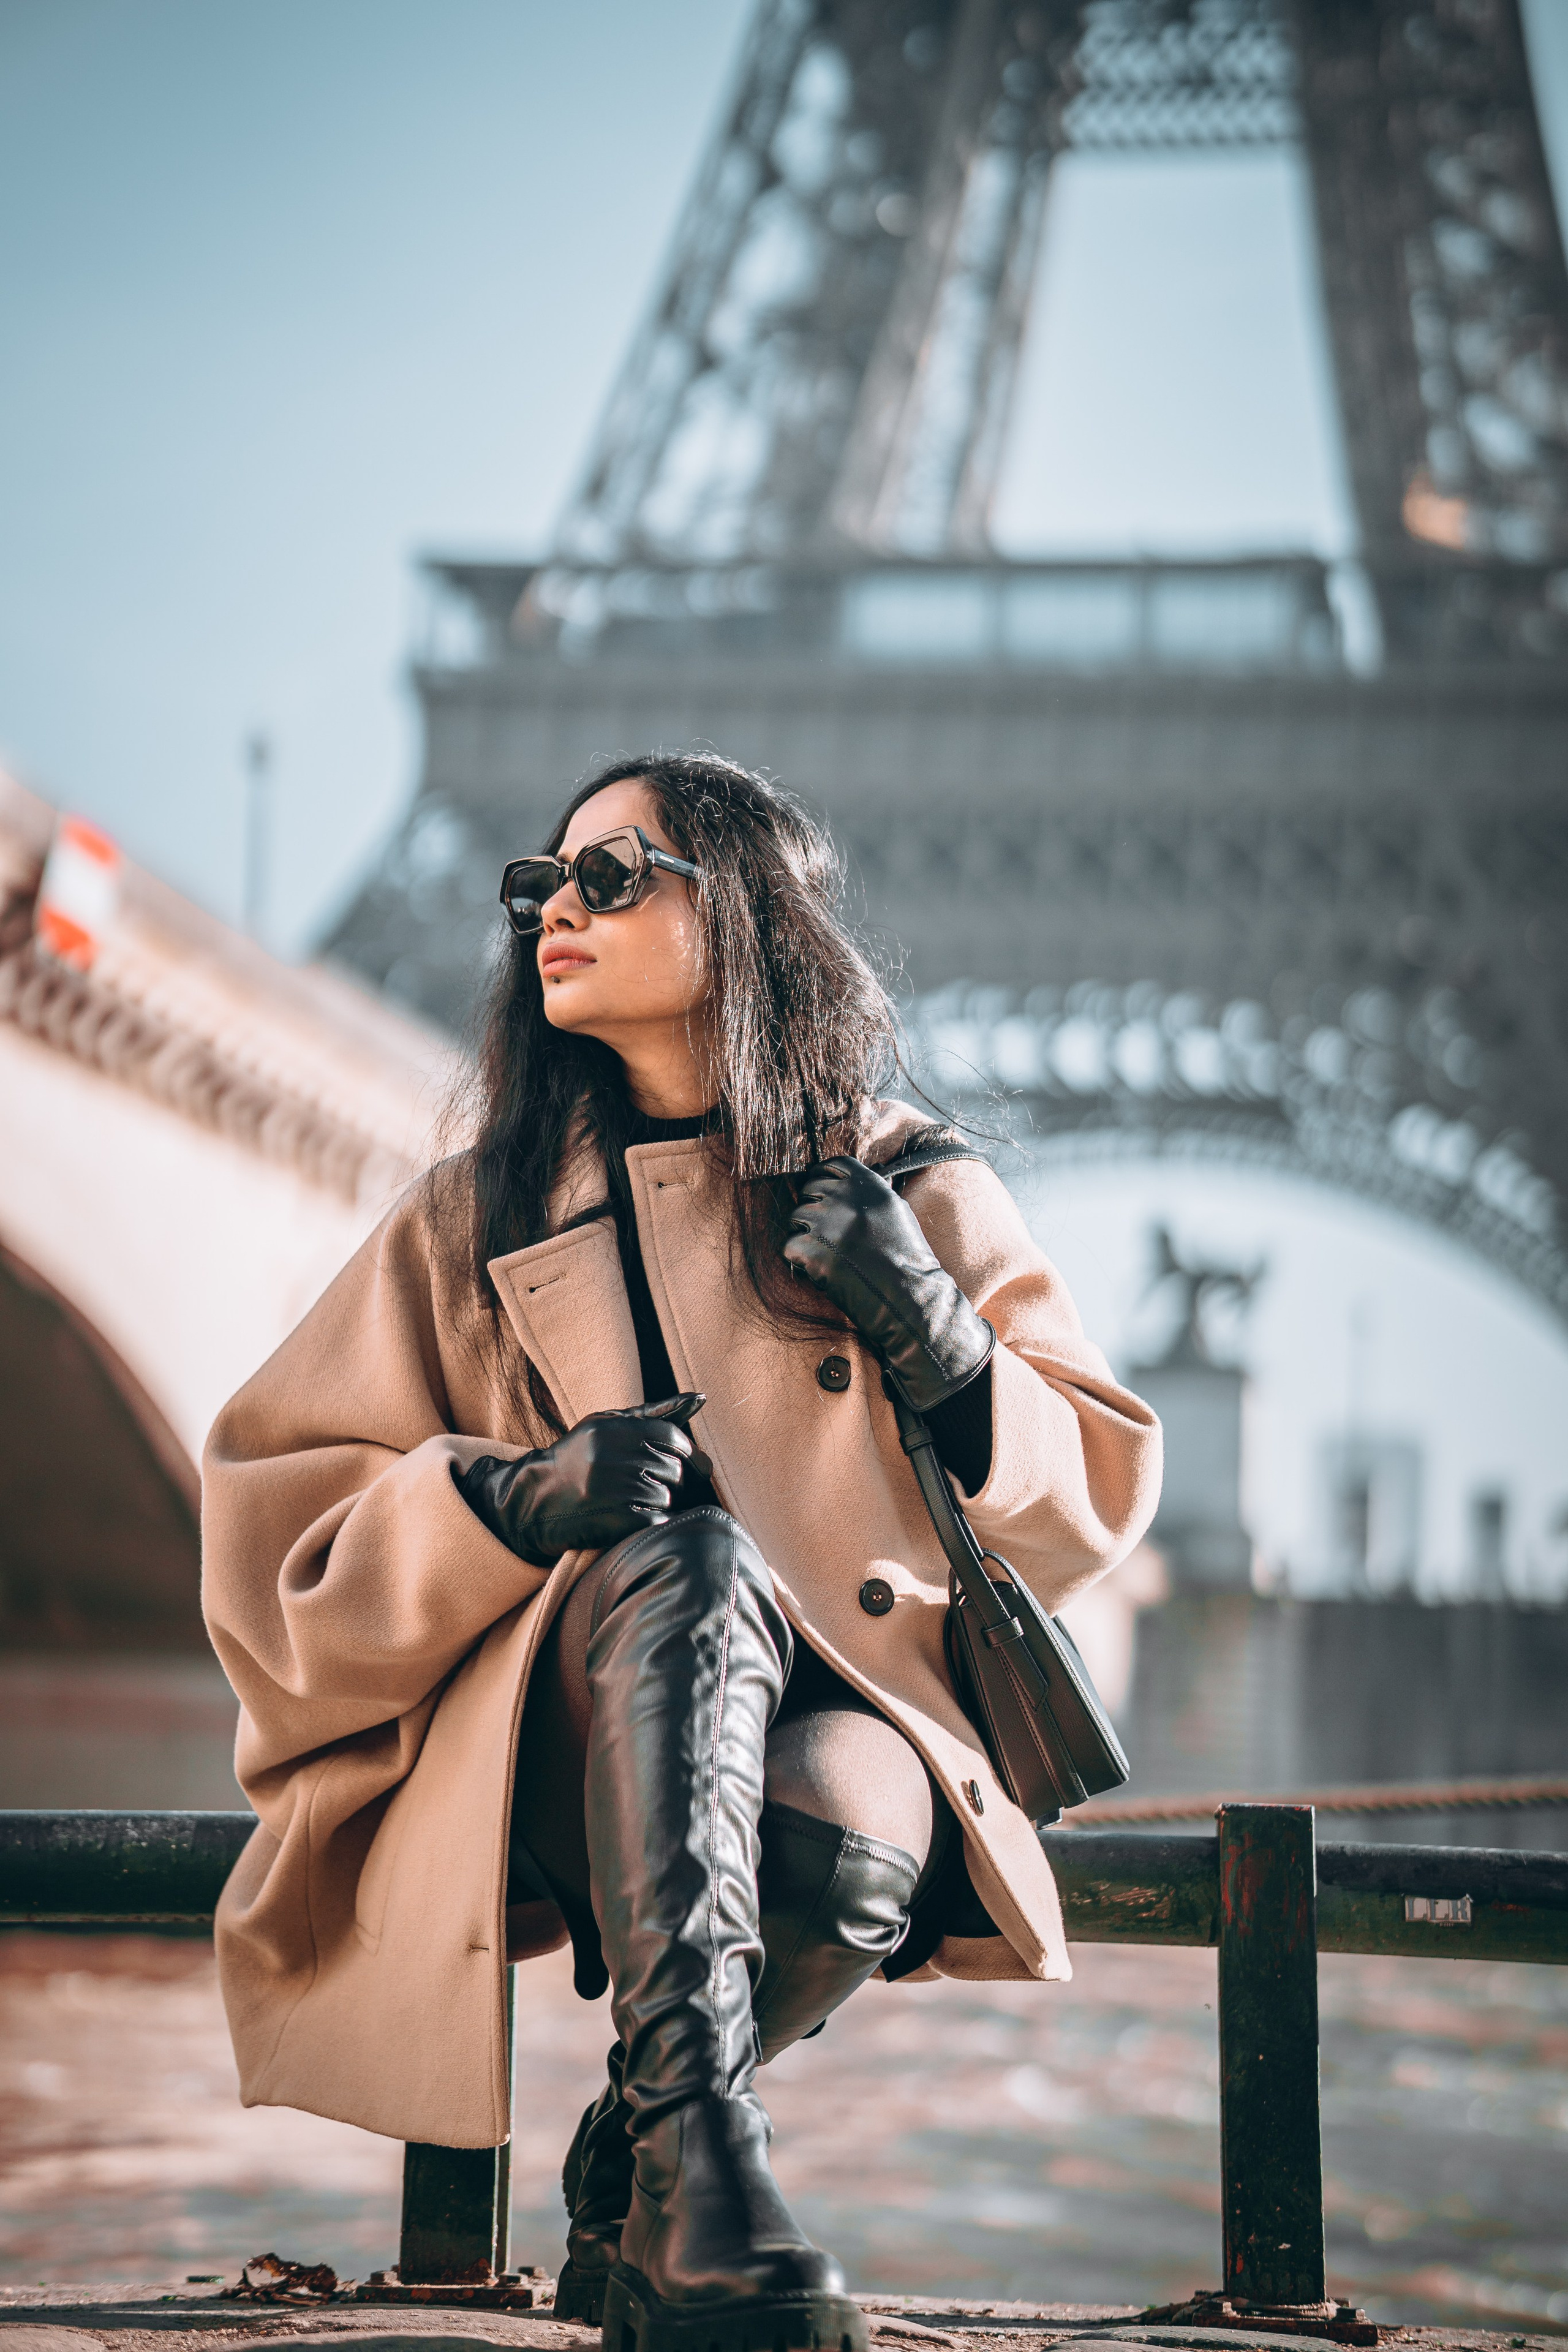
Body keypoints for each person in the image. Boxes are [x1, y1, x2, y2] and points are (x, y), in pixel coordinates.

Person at [202, 752, 1161, 2352]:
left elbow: (1091, 1507)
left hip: (829, 1738)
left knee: (862, 1832)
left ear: (748, 914)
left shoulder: (910, 1187)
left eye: (611, 877)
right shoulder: (477, 1219)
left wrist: (943, 1347)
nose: (555, 913)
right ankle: (709, 2175)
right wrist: (511, 1506)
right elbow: (271, 1536)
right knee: (694, 1568)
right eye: (540, 887)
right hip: (548, 1761)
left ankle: (651, 2163)